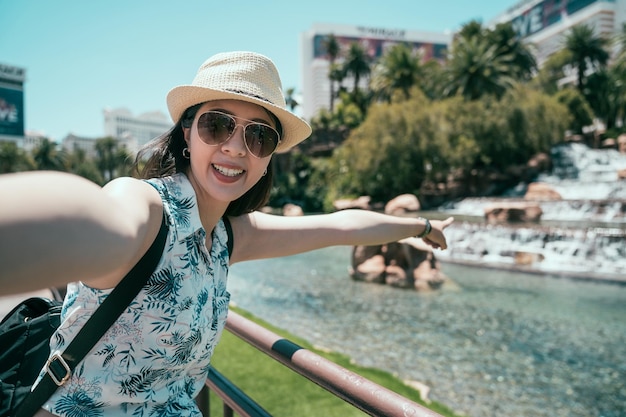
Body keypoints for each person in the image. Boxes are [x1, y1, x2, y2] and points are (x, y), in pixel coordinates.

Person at [0, 51, 454, 416]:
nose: (236, 147)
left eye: (258, 137)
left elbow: (340, 225)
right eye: (217, 124)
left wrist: (423, 226)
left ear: (268, 156)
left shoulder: (226, 237)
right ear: (187, 132)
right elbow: (88, 218)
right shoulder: (146, 210)